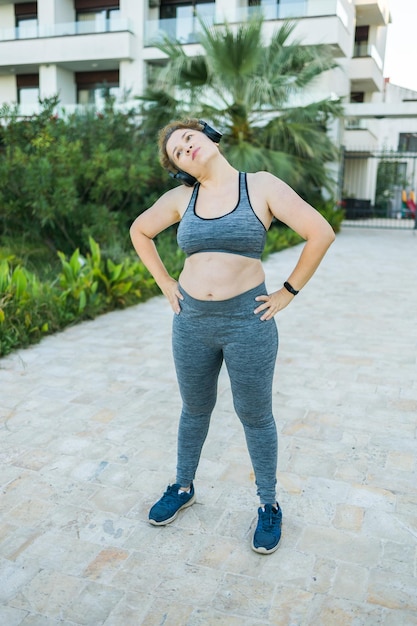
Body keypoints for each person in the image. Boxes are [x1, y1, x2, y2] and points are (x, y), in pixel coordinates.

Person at [130, 118, 335, 554]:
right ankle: (183, 486)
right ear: (179, 167)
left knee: (255, 415)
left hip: (248, 323)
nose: (187, 148)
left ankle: (268, 504)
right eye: (178, 152)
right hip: (191, 323)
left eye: (189, 138)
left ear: (208, 136)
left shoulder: (259, 186)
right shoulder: (180, 198)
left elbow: (321, 231)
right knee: (195, 408)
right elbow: (139, 231)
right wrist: (166, 283)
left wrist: (288, 291)